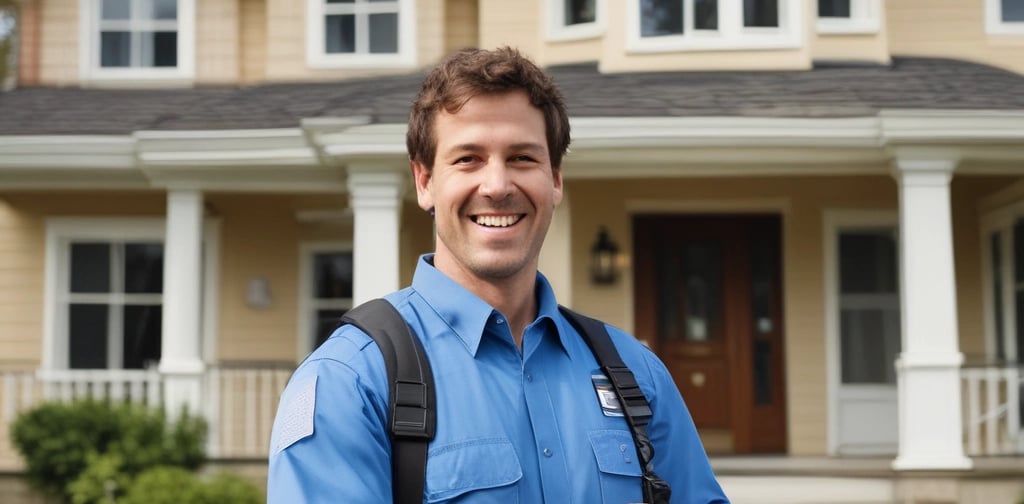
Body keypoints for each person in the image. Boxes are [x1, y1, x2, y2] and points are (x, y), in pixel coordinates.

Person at [267, 46, 729, 504]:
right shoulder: (351, 381)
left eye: (523, 158)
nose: (497, 186)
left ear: (556, 179)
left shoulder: (636, 375)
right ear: (425, 181)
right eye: (468, 158)